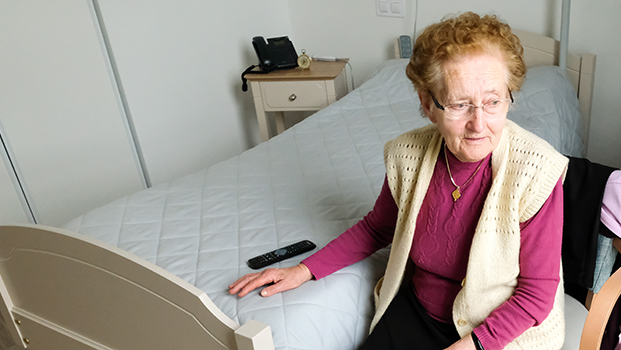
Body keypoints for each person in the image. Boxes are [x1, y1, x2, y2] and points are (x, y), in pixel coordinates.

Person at [229, 12, 568, 350]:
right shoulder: (407, 155)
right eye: (459, 104)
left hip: (498, 331)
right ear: (428, 104)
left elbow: (536, 294)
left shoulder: (535, 170)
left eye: (493, 102)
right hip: (419, 313)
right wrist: (303, 270)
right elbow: (377, 228)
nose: (478, 124)